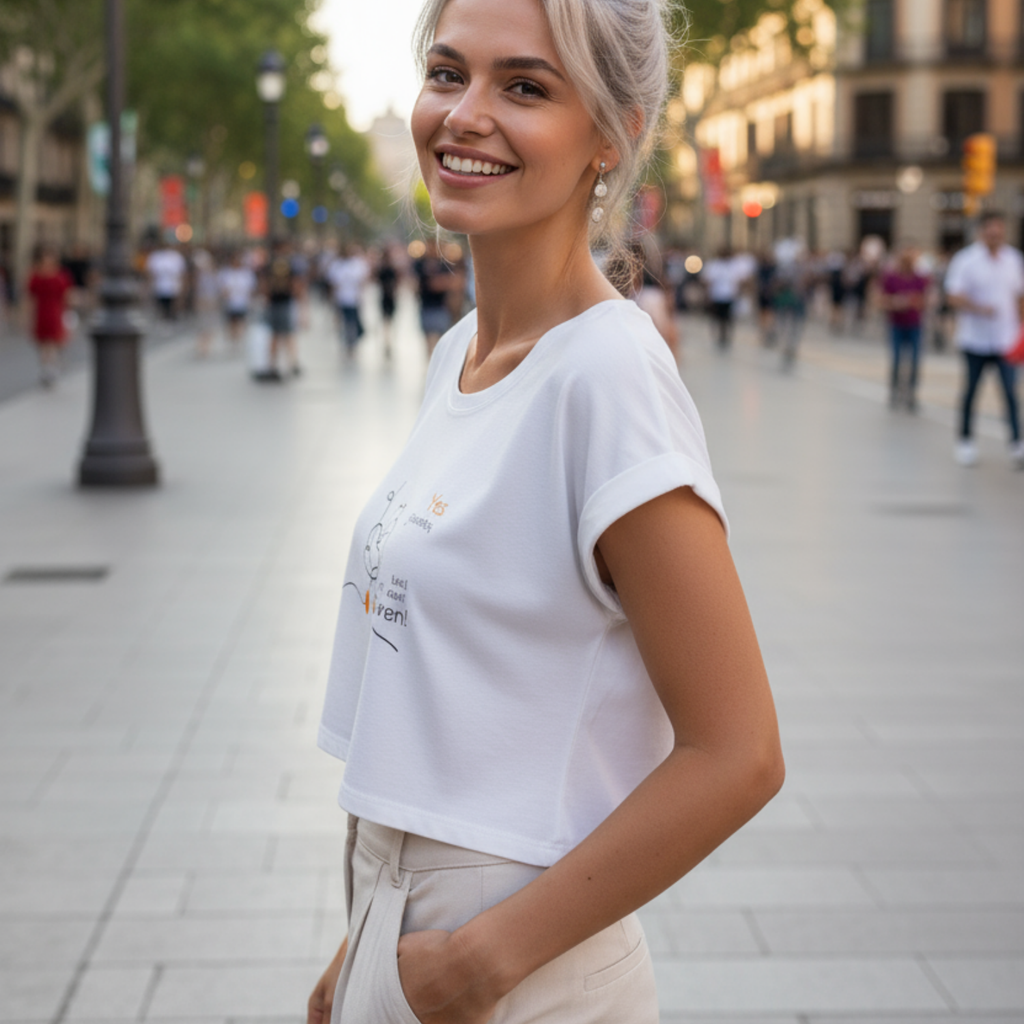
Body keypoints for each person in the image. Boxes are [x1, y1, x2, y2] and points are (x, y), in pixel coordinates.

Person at [307, 1, 784, 1023]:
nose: (465, 114)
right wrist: (365, 949)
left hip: (518, 963)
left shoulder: (606, 376)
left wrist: (481, 959)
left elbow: (737, 752)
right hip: (403, 920)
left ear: (608, 138)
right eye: (447, 73)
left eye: (523, 87)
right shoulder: (460, 353)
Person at [945, 212, 1024, 467]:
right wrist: (978, 308)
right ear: (982, 232)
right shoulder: (966, 260)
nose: (995, 236)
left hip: (1005, 339)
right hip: (974, 340)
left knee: (1010, 394)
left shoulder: (1013, 259)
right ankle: (965, 441)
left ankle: (1016, 443)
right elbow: (953, 296)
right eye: (991, 232)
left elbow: (1019, 296)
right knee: (971, 392)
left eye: (999, 232)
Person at [878, 243, 929, 412]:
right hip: (896, 325)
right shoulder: (890, 277)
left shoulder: (921, 278)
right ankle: (894, 390)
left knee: (915, 361)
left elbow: (929, 300)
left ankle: (911, 393)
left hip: (915, 325)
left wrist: (917, 302)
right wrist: (896, 302)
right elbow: (880, 300)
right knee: (896, 360)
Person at [27, 247, 73, 388]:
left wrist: (68, 315)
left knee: (53, 341)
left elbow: (67, 297)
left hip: (55, 311)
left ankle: (51, 368)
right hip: (41, 312)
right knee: (43, 343)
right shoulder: (36, 276)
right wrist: (27, 316)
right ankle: (46, 369)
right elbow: (30, 298)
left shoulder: (61, 276)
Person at [260, 242, 302, 380]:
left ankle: (273, 365)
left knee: (275, 335)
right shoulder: (289, 263)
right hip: (284, 302)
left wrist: (266, 298)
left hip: (275, 302)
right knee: (287, 334)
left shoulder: (270, 264)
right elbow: (296, 284)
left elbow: (264, 285)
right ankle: (292, 363)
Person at [413, 237, 461, 356]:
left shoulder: (445, 264)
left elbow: (455, 282)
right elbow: (415, 284)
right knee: (429, 340)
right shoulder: (420, 264)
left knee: (441, 340)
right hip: (426, 306)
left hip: (441, 307)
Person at [327, 244, 371, 356]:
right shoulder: (337, 265)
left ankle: (353, 342)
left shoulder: (357, 264)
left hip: (354, 299)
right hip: (342, 299)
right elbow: (333, 282)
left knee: (354, 321)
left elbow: (363, 280)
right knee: (345, 322)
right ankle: (347, 343)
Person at [701, 247, 745, 348]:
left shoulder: (734, 265)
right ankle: (718, 335)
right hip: (717, 296)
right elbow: (708, 281)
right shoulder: (714, 265)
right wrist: (707, 295)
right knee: (717, 317)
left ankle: (725, 336)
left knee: (728, 318)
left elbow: (740, 280)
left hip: (729, 296)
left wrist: (739, 292)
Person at [217, 250, 258, 347]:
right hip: (230, 303)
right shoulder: (225, 273)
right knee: (231, 322)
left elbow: (251, 288)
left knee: (241, 321)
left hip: (243, 302)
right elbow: (221, 287)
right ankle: (233, 340)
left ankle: (240, 340)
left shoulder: (246, 273)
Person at [145, 243, 187, 321]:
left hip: (173, 287)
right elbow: (150, 273)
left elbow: (182, 274)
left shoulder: (176, 256)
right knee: (162, 309)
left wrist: (183, 288)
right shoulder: (155, 256)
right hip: (159, 288)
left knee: (172, 309)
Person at [376, 247, 400, 361]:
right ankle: (387, 341)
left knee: (388, 321)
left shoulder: (390, 269)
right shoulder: (385, 269)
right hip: (386, 298)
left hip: (389, 298)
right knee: (387, 321)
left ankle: (388, 341)